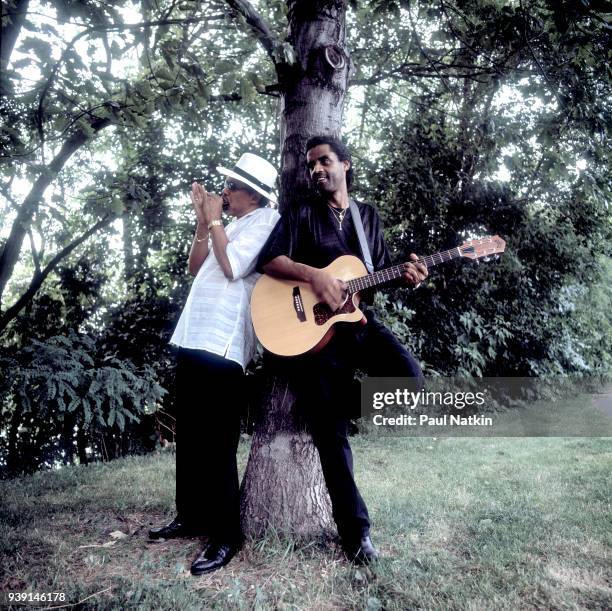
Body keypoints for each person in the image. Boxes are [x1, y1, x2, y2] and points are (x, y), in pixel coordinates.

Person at [256, 135, 428, 564]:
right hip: (313, 341)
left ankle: (337, 409)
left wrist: (410, 276)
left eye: (324, 161)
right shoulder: (301, 214)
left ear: (346, 165)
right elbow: (270, 261)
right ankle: (357, 536)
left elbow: (382, 274)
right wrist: (316, 277)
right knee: (332, 442)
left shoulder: (366, 217)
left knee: (411, 380)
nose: (316, 170)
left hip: (357, 326)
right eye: (311, 164)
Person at [149, 153, 280, 576]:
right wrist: (202, 222)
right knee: (189, 435)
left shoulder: (265, 222)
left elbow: (233, 267)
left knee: (219, 442)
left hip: (224, 343)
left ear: (252, 195)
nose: (223, 193)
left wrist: (216, 222)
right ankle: (190, 515)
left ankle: (226, 536)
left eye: (231, 188)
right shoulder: (227, 223)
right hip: (193, 335)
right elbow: (195, 266)